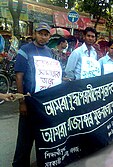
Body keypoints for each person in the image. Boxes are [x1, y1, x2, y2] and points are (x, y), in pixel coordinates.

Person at [13, 22, 62, 166]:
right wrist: (21, 102)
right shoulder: (24, 50)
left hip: (43, 102)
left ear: (49, 37)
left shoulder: (49, 52)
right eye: (40, 33)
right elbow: (19, 76)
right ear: (35, 34)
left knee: (42, 135)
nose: (43, 37)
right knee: (25, 137)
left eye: (46, 34)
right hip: (29, 100)